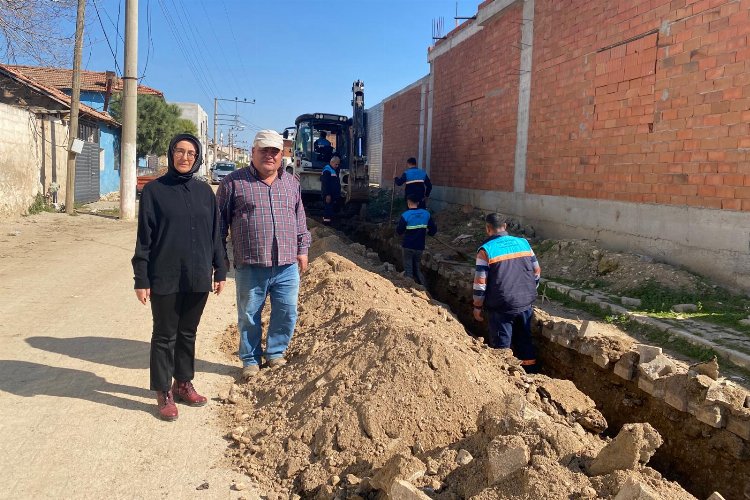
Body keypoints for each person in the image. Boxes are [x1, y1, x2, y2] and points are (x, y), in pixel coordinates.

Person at [132, 133, 227, 421]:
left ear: (197, 158)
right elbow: (144, 239)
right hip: (165, 275)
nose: (185, 157)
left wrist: (220, 268)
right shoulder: (154, 192)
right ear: (171, 153)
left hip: (198, 275)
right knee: (164, 335)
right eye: (179, 151)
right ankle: (164, 391)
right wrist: (141, 278)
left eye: (190, 153)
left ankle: (183, 383)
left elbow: (215, 236)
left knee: (188, 332)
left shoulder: (204, 193)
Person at [217, 130, 311, 381]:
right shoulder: (233, 183)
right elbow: (219, 224)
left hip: (287, 263)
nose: (270, 156)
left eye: (275, 151)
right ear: (253, 152)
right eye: (264, 150)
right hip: (250, 263)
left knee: (287, 310)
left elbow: (300, 219)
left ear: (282, 155)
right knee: (249, 314)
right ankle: (250, 359)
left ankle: (276, 353)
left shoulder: (291, 183)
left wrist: (303, 249)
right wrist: (219, 258)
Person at [472, 213, 541, 373]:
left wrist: (477, 306)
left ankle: (506, 379)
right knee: (524, 340)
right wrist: (527, 292)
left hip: (501, 307)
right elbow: (536, 272)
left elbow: (480, 283)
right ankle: (530, 376)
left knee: (502, 346)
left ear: (488, 229)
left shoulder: (486, 250)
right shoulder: (524, 243)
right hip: (525, 304)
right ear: (505, 226)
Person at [396, 193, 437, 285]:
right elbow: (433, 230)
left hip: (408, 246)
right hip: (419, 247)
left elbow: (399, 231)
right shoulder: (426, 214)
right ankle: (423, 287)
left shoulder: (406, 215)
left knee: (408, 269)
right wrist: (428, 232)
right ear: (418, 202)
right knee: (417, 268)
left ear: (408, 202)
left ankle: (410, 287)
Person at [320, 155, 341, 224]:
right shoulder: (327, 170)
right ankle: (326, 225)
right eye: (336, 164)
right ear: (331, 162)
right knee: (328, 209)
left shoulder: (332, 170)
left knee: (330, 209)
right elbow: (326, 184)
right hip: (328, 195)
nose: (337, 166)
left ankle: (328, 223)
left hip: (332, 195)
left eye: (338, 164)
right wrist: (328, 195)